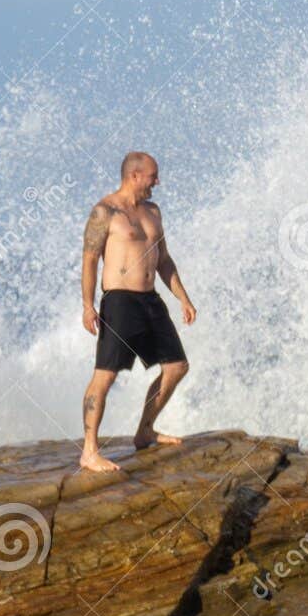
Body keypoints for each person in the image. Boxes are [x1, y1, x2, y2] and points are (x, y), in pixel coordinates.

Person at [77, 151, 195, 473]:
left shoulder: (153, 212)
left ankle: (144, 431)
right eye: (153, 176)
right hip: (119, 302)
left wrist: (183, 298)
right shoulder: (105, 211)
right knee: (106, 374)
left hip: (151, 301)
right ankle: (89, 451)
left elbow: (165, 260)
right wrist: (88, 305)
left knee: (177, 367)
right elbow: (89, 260)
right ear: (134, 175)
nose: (157, 182)